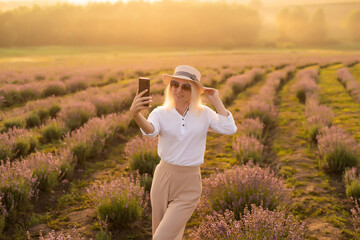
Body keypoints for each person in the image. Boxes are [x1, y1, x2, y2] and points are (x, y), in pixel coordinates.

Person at [130, 65, 237, 240]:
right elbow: (150, 131)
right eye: (175, 84)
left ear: (194, 91)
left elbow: (229, 129)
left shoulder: (204, 114)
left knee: (161, 237)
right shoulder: (160, 112)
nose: (179, 90)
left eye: (186, 86)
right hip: (163, 177)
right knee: (164, 233)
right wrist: (136, 115)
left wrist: (216, 99)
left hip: (190, 183)